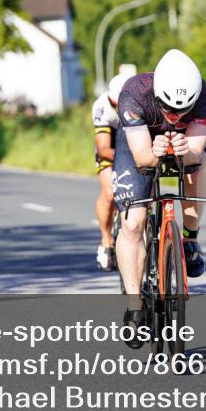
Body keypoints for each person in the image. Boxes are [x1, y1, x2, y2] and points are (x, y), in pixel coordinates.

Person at [112, 49, 206, 338]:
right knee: (133, 223)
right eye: (169, 110)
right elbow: (143, 158)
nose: (175, 117)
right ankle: (135, 307)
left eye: (183, 112)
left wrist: (186, 152)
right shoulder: (134, 93)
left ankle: (190, 239)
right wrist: (154, 152)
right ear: (157, 95)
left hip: (185, 142)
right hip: (139, 141)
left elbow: (194, 154)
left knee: (196, 166)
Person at [92, 73, 130, 272]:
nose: (118, 108)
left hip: (134, 137)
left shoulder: (141, 100)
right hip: (111, 147)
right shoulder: (102, 107)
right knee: (110, 193)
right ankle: (106, 240)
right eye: (115, 104)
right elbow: (103, 149)